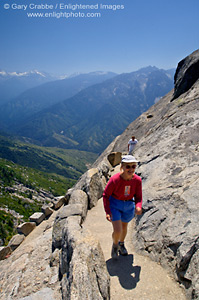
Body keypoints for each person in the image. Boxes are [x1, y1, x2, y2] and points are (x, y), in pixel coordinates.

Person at [103, 155, 142, 259]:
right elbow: (106, 195)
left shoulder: (137, 180)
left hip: (129, 205)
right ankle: (115, 245)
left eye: (133, 166)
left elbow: (138, 196)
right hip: (115, 205)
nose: (130, 169)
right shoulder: (115, 180)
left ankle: (121, 243)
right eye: (128, 167)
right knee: (118, 230)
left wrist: (138, 206)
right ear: (122, 167)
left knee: (124, 227)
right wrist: (107, 211)